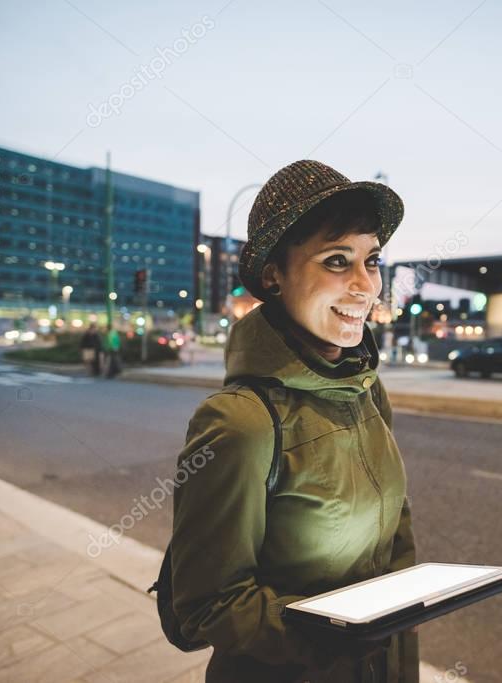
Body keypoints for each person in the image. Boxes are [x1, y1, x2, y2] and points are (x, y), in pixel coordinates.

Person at [169, 160, 418, 683]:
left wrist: (406, 611)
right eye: (335, 261)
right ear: (272, 275)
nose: (364, 286)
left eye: (371, 261)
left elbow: (398, 530)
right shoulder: (240, 423)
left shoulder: (368, 390)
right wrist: (339, 641)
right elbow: (208, 603)